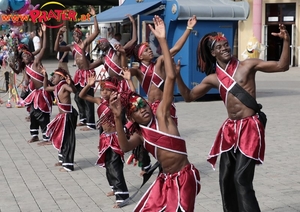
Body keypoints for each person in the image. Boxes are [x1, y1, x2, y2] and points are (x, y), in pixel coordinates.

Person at [175, 24, 290, 212]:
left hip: (250, 127)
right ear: (213, 53)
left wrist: (285, 41)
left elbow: (282, 66)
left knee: (241, 178)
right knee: (226, 178)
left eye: (226, 45)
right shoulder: (213, 78)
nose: (225, 48)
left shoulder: (248, 66)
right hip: (230, 129)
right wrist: (178, 77)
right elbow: (188, 97)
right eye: (219, 47)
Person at [109, 15, 201, 211]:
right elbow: (124, 146)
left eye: (142, 105)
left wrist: (163, 39)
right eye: (145, 50)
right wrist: (118, 116)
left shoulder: (161, 111)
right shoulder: (138, 71)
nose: (142, 109)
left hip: (163, 112)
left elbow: (170, 74)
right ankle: (146, 166)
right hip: (165, 178)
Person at [79, 75, 129, 208]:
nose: (104, 92)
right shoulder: (99, 101)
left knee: (115, 165)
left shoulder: (118, 102)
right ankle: (114, 187)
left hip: (116, 137)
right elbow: (82, 95)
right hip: (105, 137)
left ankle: (122, 196)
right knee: (108, 165)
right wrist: (89, 85)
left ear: (114, 91)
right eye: (102, 89)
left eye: (107, 89)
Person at [54, 5, 99, 131]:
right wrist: (58, 34)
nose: (75, 36)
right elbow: (56, 49)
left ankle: (91, 123)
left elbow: (96, 32)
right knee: (77, 96)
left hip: (87, 72)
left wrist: (94, 16)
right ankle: (83, 118)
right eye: (73, 34)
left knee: (88, 97)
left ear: (81, 35)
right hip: (79, 73)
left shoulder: (84, 44)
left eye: (77, 34)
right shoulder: (72, 47)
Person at [21, 23, 53, 145]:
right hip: (34, 94)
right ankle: (35, 135)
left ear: (31, 56)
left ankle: (47, 137)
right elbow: (26, 79)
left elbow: (43, 49)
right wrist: (24, 86)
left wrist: (44, 33)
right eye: (23, 57)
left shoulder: (36, 63)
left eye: (26, 55)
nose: (25, 57)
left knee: (42, 116)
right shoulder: (27, 68)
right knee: (33, 114)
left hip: (42, 93)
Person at [42, 68, 78, 172]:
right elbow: (45, 88)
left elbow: (74, 90)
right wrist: (45, 76)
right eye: (52, 77)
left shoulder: (64, 85)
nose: (52, 78)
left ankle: (68, 165)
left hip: (68, 116)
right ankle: (63, 159)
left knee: (67, 140)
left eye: (54, 76)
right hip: (62, 116)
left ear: (61, 77)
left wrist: (70, 83)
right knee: (60, 137)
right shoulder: (57, 86)